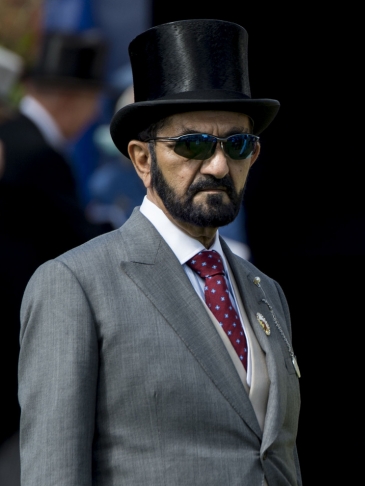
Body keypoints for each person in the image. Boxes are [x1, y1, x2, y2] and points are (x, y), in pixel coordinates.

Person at [18, 19, 302, 485]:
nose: (218, 165)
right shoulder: (75, 284)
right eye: (193, 144)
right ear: (142, 159)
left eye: (237, 144)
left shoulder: (266, 291)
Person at [0, 30, 107, 471]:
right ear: (71, 99)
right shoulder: (39, 157)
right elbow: (79, 243)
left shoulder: (11, 137)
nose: (93, 115)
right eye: (93, 101)